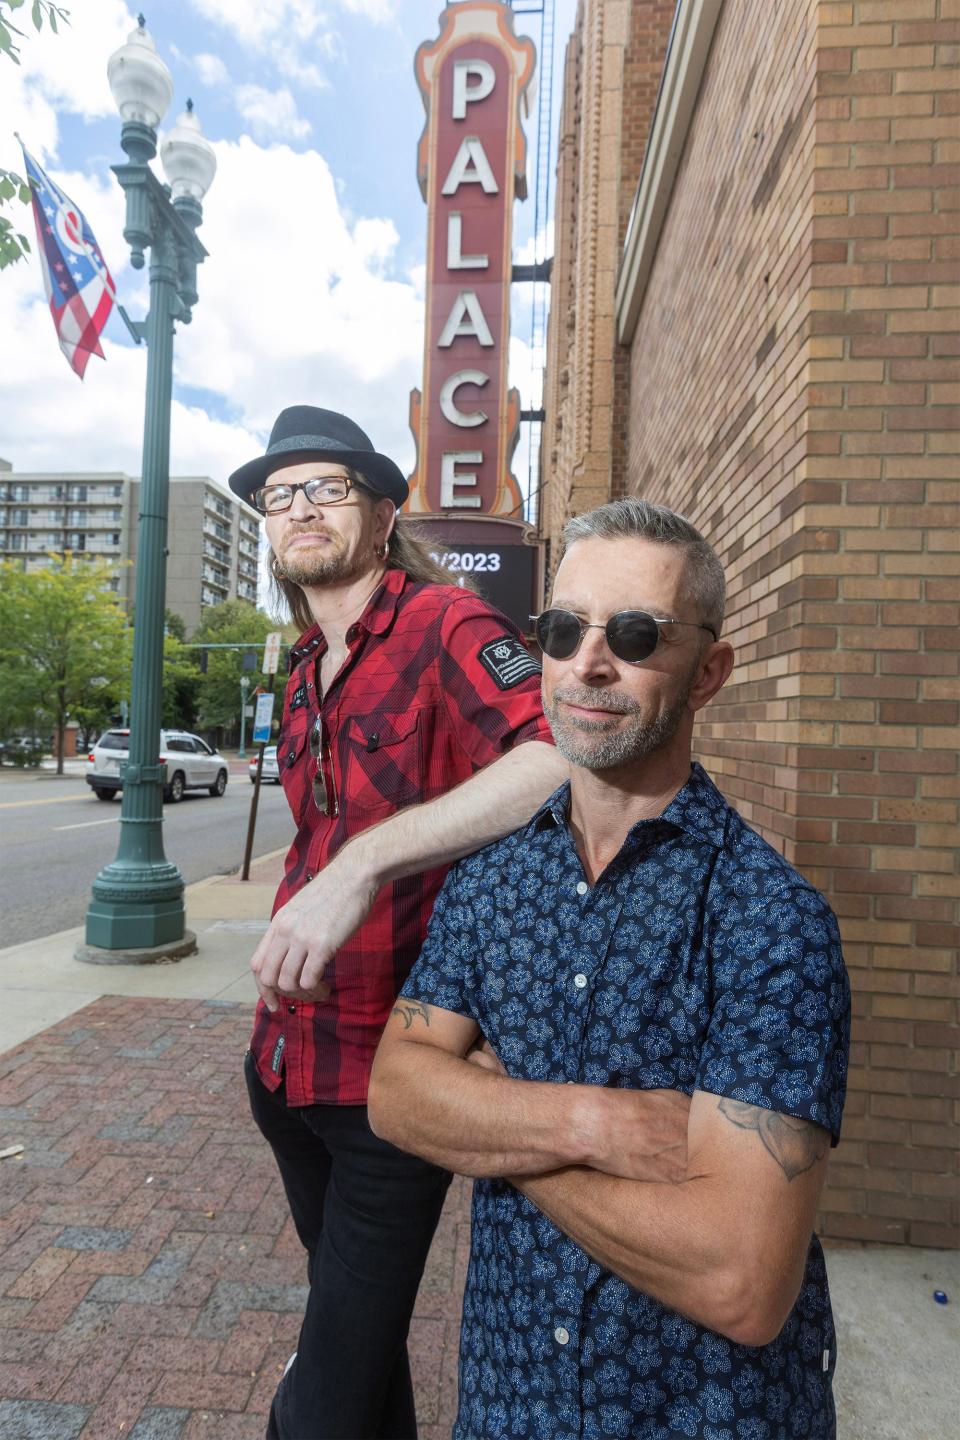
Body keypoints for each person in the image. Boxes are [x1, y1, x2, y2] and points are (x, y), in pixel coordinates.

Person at [370, 498, 851, 1440]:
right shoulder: (494, 875)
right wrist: (595, 1121)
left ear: (709, 671)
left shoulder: (771, 921)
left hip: (700, 1414)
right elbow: (395, 1094)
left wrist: (498, 1117)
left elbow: (739, 1278)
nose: (589, 663)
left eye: (635, 634)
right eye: (562, 629)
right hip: (510, 1403)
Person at [227, 405, 566, 1440]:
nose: (301, 508)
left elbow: (555, 757)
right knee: (357, 1355)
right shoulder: (297, 672)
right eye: (281, 497)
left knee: (320, 1398)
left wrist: (370, 859)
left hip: (390, 1078)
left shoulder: (445, 626)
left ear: (381, 517)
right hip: (285, 1066)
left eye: (327, 487)